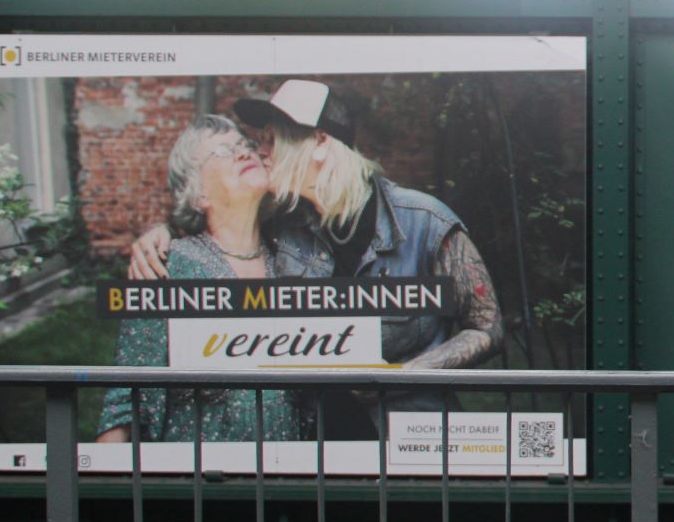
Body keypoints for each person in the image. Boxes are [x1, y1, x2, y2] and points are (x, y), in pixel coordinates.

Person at [127, 79, 503, 439]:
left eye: (274, 140)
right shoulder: (286, 223)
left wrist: (405, 374)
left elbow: (487, 327)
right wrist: (159, 232)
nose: (261, 152)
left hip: (415, 440)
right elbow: (219, 216)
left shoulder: (424, 222)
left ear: (321, 143)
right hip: (319, 451)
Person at [97, 114, 308, 444]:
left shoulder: (295, 260)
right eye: (223, 151)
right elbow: (125, 405)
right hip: (201, 482)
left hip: (291, 479)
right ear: (199, 196)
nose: (243, 153)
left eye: (244, 145)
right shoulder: (169, 268)